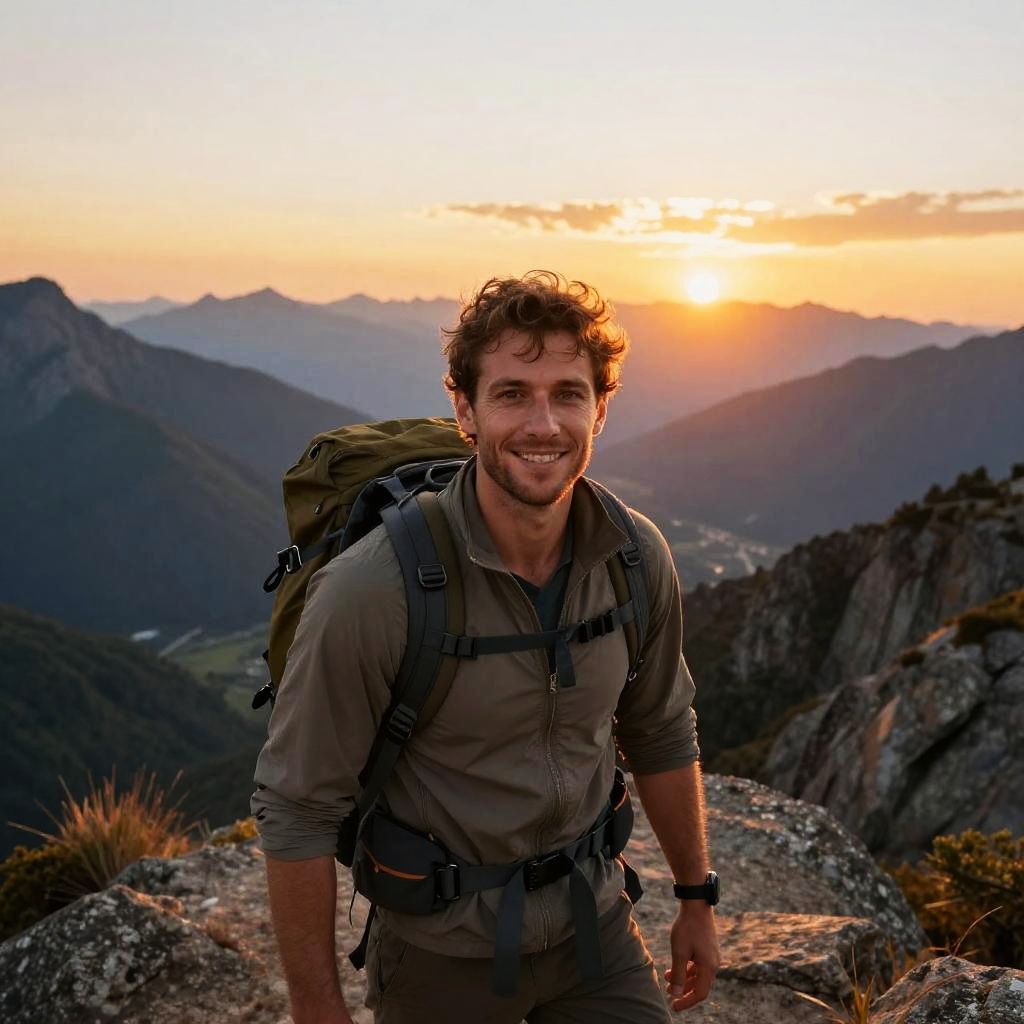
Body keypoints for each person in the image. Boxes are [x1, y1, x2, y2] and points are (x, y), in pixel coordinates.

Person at [252, 271, 719, 1024]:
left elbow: (661, 730)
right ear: (464, 409)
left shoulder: (634, 558)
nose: (544, 424)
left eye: (568, 393)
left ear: (601, 408)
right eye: (512, 394)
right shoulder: (377, 589)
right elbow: (298, 806)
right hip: (441, 957)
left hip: (594, 933)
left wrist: (697, 898)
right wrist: (316, 1008)